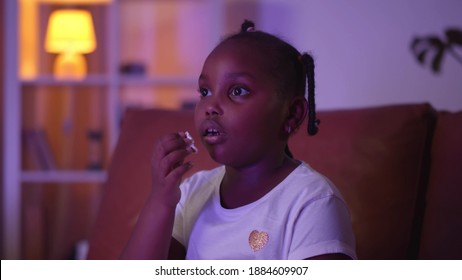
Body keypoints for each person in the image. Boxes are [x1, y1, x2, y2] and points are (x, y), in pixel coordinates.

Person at [122, 20, 357, 260]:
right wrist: (160, 201)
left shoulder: (313, 202)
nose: (210, 106)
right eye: (205, 91)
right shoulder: (192, 193)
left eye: (238, 91)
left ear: (291, 114)